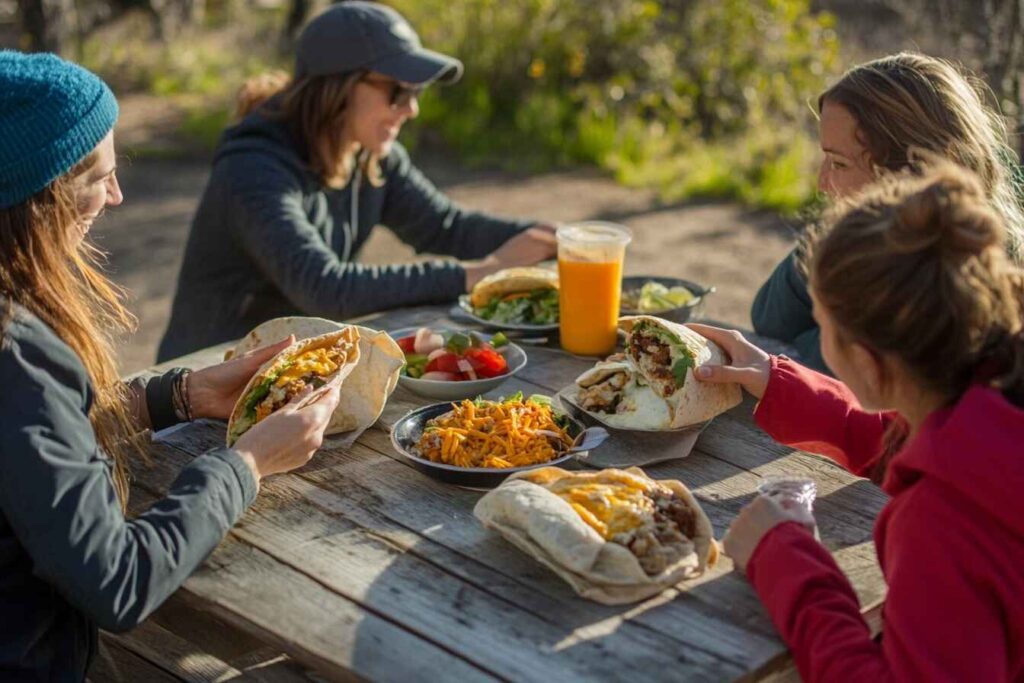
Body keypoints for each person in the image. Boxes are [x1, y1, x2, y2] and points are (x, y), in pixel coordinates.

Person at [0, 51, 341, 680]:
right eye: (99, 176)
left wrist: (179, 397)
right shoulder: (16, 351)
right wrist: (250, 462)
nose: (117, 194)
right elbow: (118, 581)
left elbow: (29, 448)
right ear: (42, 198)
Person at [694, 164, 1024, 680]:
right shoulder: (997, 394)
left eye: (822, 326)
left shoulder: (940, 525)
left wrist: (790, 562)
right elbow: (937, 445)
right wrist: (779, 381)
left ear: (868, 364)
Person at [157, 1, 557, 361]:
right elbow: (326, 288)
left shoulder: (368, 155)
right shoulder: (252, 169)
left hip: (290, 371)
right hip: (201, 381)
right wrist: (481, 272)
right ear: (339, 87)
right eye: (399, 90)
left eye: (416, 91)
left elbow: (447, 227)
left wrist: (563, 240)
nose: (412, 109)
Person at [751, 52, 1024, 372]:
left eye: (839, 163)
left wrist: (814, 340)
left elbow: (854, 369)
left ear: (915, 172)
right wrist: (832, 241)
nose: (823, 183)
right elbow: (767, 317)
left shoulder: (958, 277)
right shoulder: (875, 242)